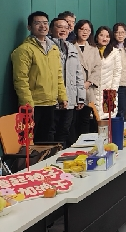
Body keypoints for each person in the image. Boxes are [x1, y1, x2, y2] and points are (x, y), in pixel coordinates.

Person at [11, 12, 67, 143]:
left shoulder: (54, 49)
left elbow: (58, 75)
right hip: (34, 105)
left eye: (45, 23)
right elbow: (20, 80)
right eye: (37, 23)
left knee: (47, 141)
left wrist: (62, 96)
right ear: (29, 27)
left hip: (51, 103)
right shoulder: (24, 50)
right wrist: (28, 105)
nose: (42, 26)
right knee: (30, 143)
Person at [49, 17, 84, 147]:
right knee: (51, 132)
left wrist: (80, 97)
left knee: (65, 131)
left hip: (70, 98)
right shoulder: (48, 47)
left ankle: (62, 155)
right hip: (54, 99)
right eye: (59, 27)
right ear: (51, 29)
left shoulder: (71, 47)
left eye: (66, 27)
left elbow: (78, 74)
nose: (63, 30)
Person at [73, 20, 101, 134]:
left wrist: (88, 82)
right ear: (76, 30)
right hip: (74, 89)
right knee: (73, 121)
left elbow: (98, 68)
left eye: (88, 30)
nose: (85, 32)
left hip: (88, 89)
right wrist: (79, 85)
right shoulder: (70, 46)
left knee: (86, 120)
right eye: (82, 29)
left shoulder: (93, 49)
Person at [94, 26, 122, 119]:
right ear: (96, 36)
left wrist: (113, 90)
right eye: (101, 35)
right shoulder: (91, 50)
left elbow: (117, 72)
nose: (104, 38)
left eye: (107, 36)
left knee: (108, 117)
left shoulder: (115, 52)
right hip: (94, 91)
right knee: (93, 119)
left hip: (109, 90)